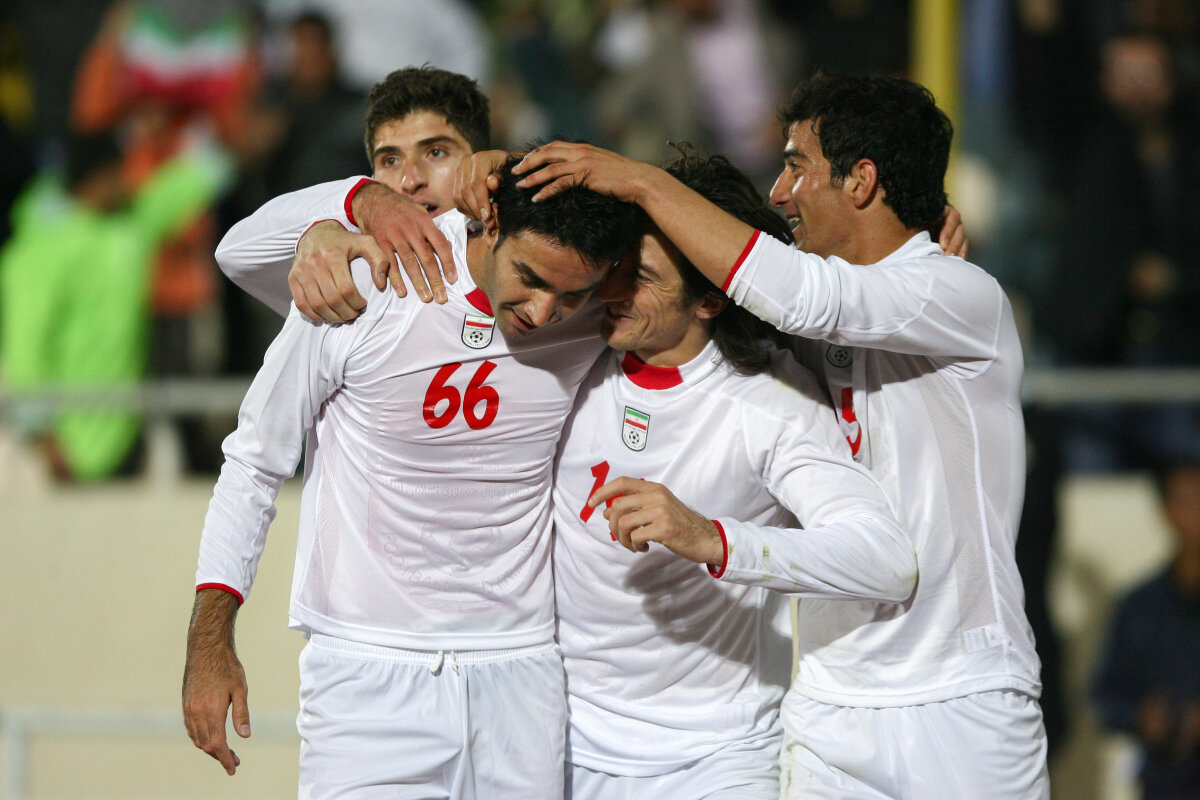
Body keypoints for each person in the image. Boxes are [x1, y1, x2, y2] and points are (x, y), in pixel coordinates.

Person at [507, 70, 1048, 798]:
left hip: (960, 699)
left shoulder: (957, 293)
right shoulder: (792, 333)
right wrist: (489, 177)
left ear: (862, 181)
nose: (780, 193)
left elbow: (802, 295)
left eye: (796, 167)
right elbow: (759, 305)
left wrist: (641, 182)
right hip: (828, 706)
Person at [182, 157, 640, 796]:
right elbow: (254, 463)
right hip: (367, 672)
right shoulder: (361, 281)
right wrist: (209, 643)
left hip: (523, 673)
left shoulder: (604, 313)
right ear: (491, 223)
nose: (543, 312)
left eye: (572, 295)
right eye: (530, 278)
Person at [553, 149, 914, 799]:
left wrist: (712, 538)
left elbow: (884, 559)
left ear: (712, 300)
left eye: (643, 278)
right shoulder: (562, 353)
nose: (610, 291)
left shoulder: (771, 403)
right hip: (564, 743)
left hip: (716, 759)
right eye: (617, 266)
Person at [0, 130, 230, 480]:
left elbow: (174, 194)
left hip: (125, 436)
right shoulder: (38, 249)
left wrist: (222, 155)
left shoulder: (128, 227)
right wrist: (40, 433)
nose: (125, 181)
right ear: (94, 178)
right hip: (52, 451)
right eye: (117, 173)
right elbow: (25, 345)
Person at [219, 64, 489, 321]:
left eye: (436, 153)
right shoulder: (350, 274)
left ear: (481, 161)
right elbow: (233, 253)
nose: (410, 180)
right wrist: (352, 206)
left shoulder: (513, 254)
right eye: (390, 160)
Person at [1092, 460, 1200, 800]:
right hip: (1164, 779)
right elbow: (1104, 695)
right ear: (1165, 511)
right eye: (1187, 500)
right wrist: (1142, 717)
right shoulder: (1140, 605)